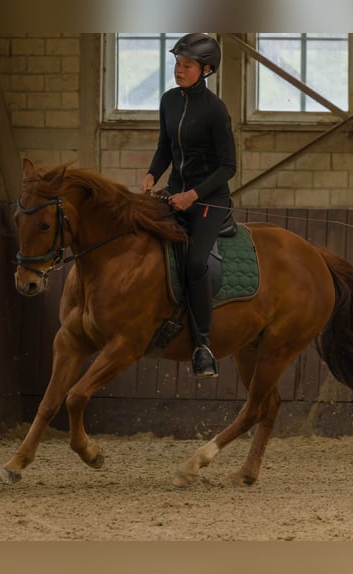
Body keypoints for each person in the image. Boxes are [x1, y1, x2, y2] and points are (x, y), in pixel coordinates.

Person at [140, 33, 237, 379]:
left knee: (195, 262)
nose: (179, 70)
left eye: (187, 65)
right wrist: (152, 175)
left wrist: (193, 195)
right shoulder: (168, 101)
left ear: (206, 69)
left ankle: (203, 346)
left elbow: (228, 167)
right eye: (177, 64)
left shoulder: (215, 110)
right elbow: (165, 147)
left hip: (209, 201)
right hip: (174, 193)